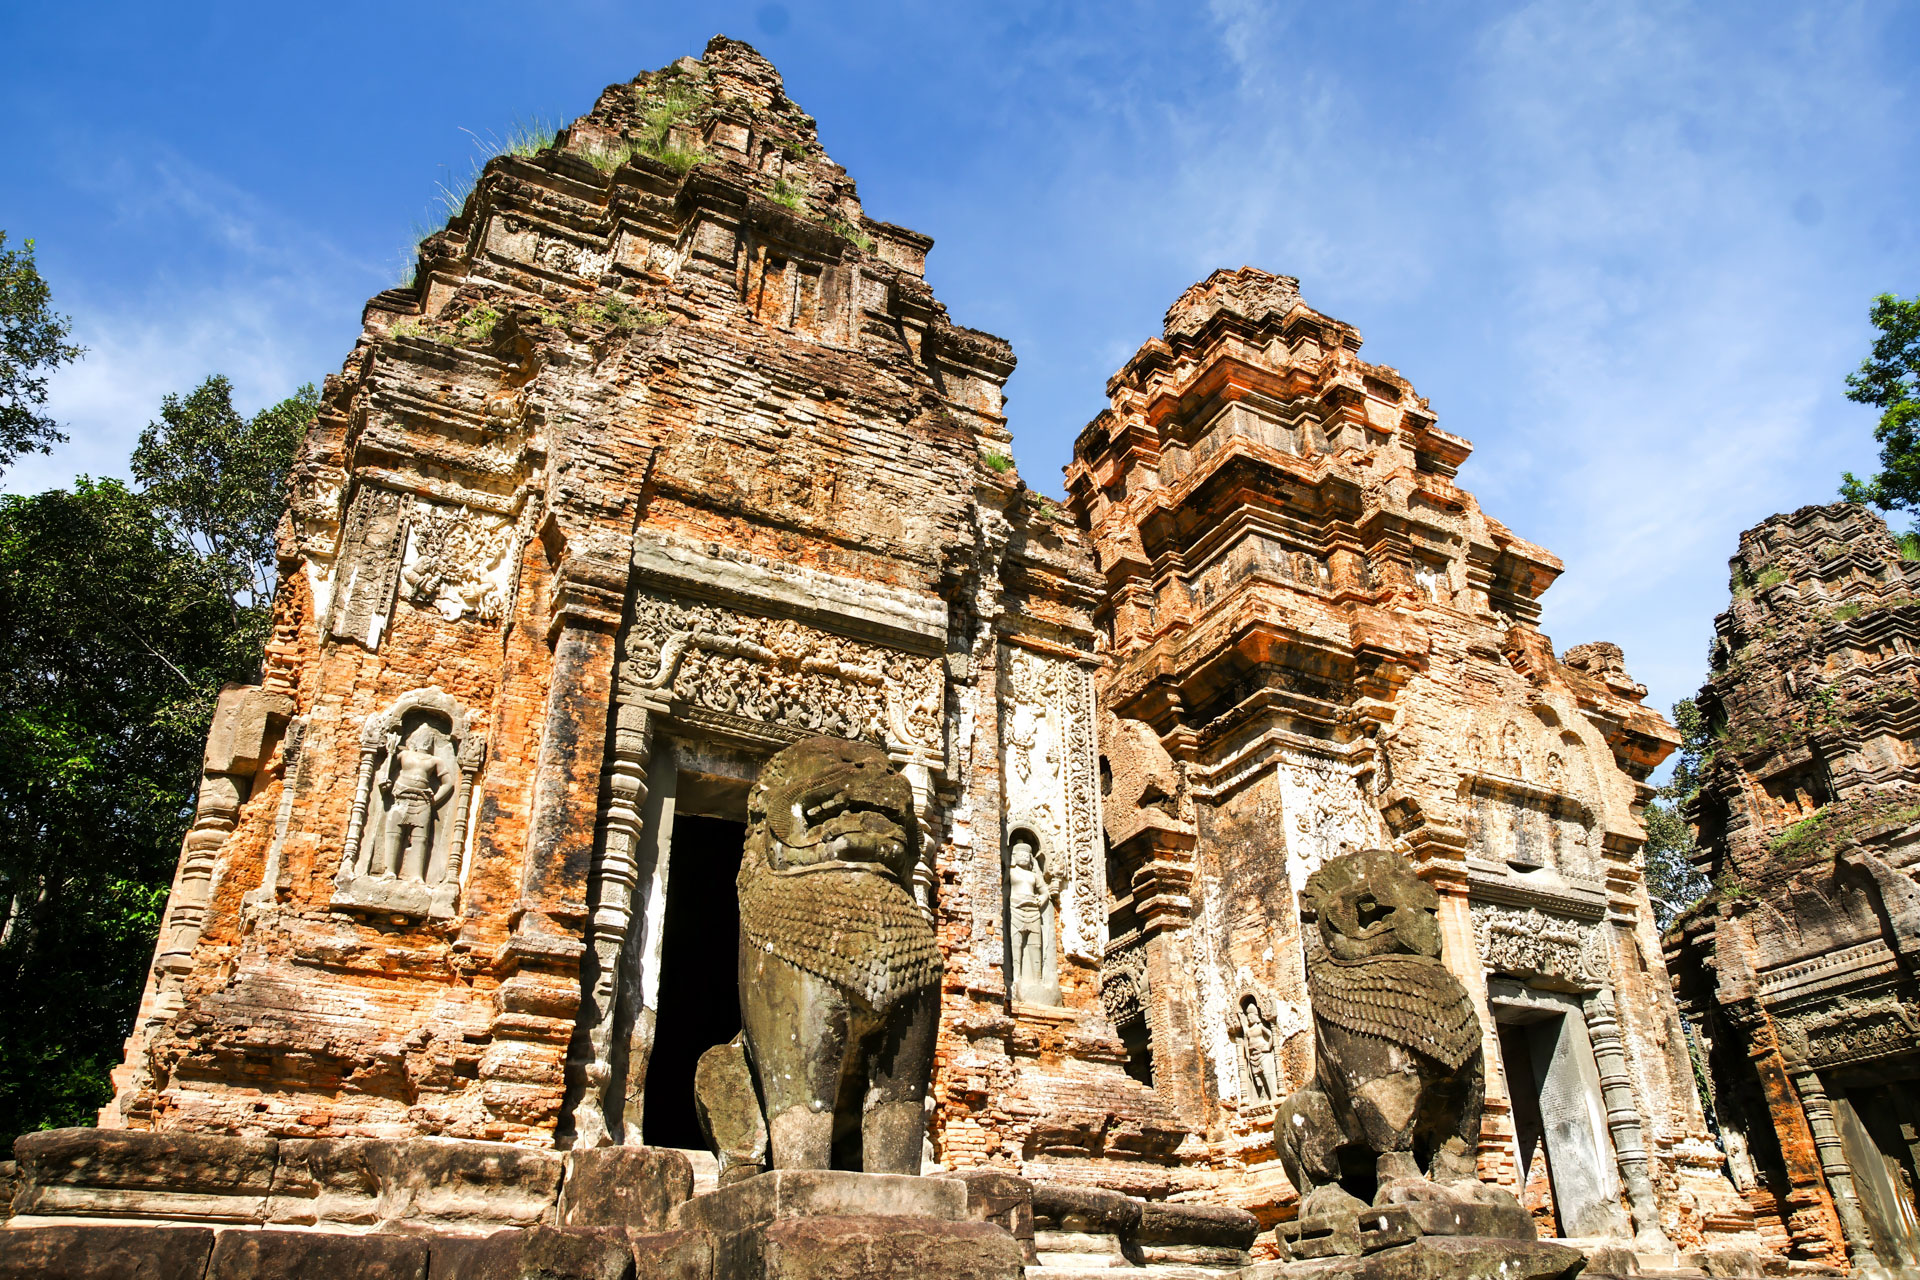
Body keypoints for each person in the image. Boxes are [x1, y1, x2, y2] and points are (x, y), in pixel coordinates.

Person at [374, 722, 455, 881]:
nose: (425, 740)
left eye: (429, 738)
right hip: (401, 798)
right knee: (394, 834)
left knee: (420, 839)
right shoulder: (404, 755)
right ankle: (390, 871)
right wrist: (384, 781)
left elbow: (448, 783)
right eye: (422, 737)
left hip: (422, 801)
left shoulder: (435, 760)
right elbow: (385, 770)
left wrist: (434, 801)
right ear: (414, 739)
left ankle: (417, 876)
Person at [1008, 836, 1055, 1000]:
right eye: (1020, 854)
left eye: (1026, 855)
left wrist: (1041, 899)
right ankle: (1017, 977)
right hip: (1016, 910)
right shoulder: (1011, 872)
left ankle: (1038, 980)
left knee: (1036, 946)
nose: (1023, 857)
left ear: (1031, 858)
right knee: (1016, 945)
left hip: (1033, 911)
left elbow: (1045, 892)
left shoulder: (1034, 876)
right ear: (1014, 857)